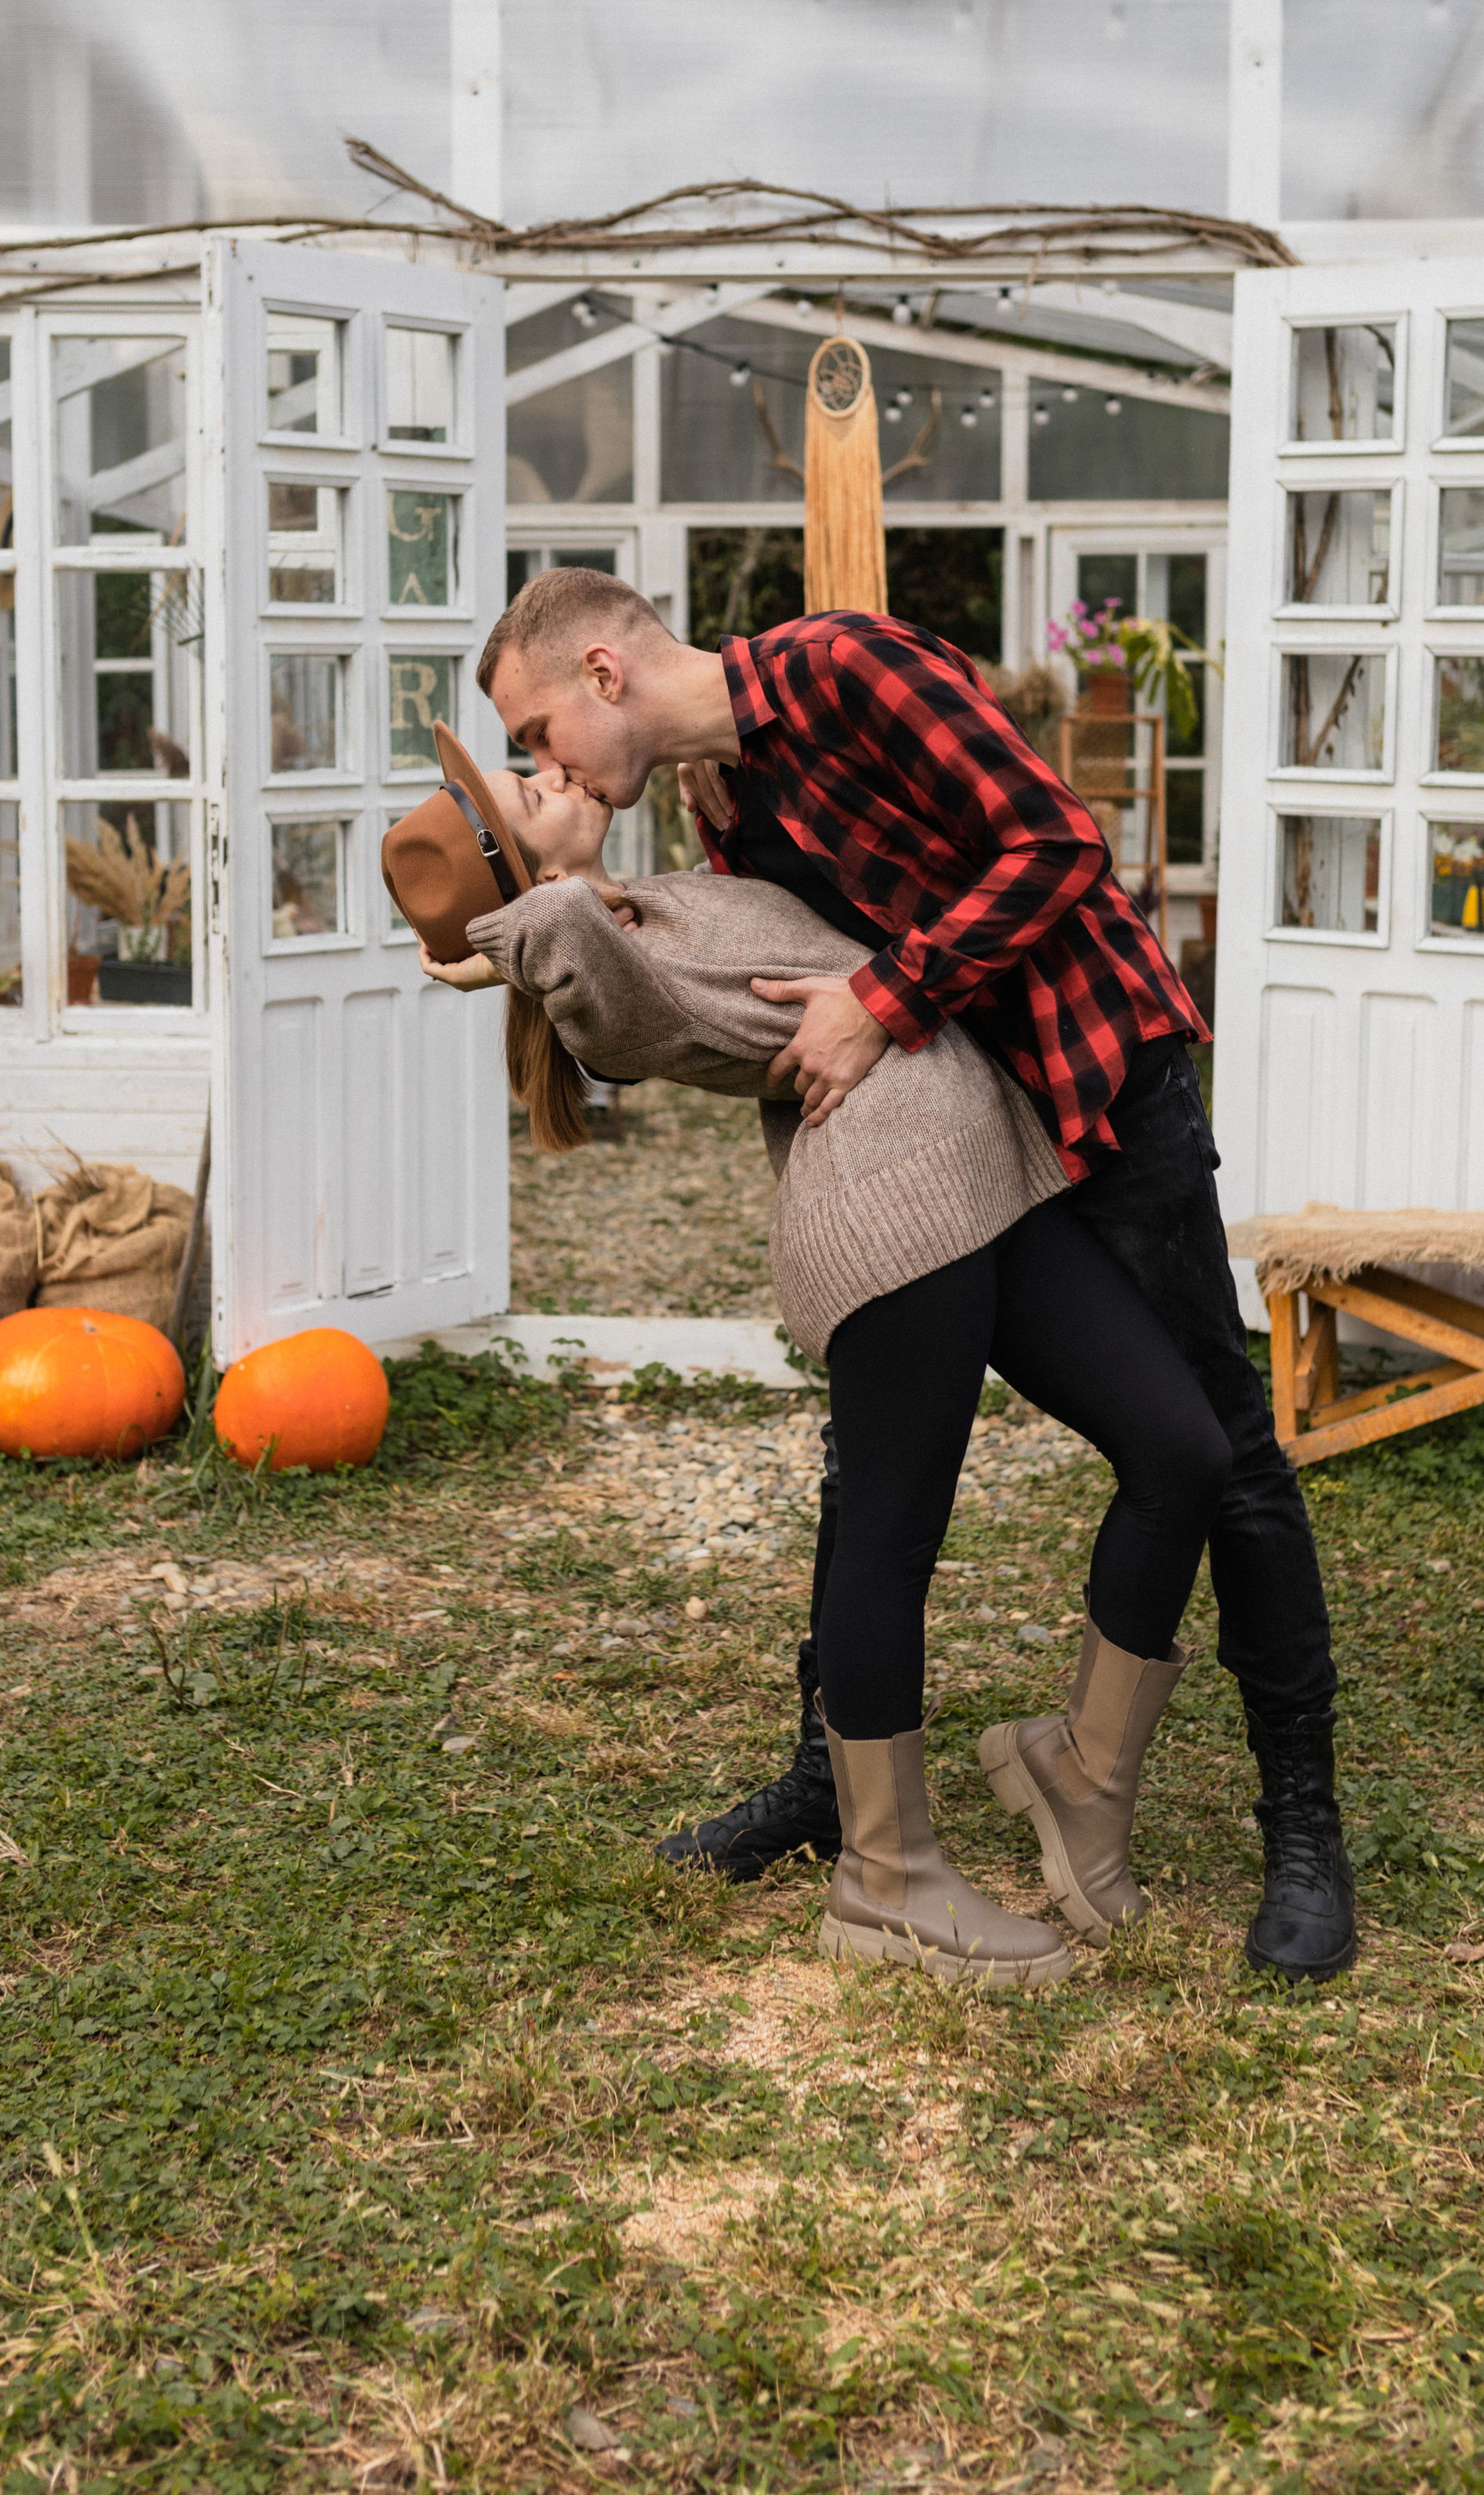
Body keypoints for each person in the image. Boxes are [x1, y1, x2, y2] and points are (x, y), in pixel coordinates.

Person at [472, 569, 1357, 1986]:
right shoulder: (719, 802)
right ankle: (844, 1794)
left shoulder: (845, 669)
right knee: (871, 1469)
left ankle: (1303, 1824)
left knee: (1220, 1449)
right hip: (970, 1144)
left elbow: (1058, 846)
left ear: (602, 670)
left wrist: (885, 1000)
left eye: (538, 731)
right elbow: (699, 980)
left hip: (1101, 1083)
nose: (544, 762)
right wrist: (568, 873)